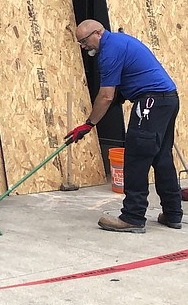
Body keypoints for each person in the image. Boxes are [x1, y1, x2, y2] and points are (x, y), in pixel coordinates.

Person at [67, 20, 181, 233]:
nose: (83, 46)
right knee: (161, 157)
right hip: (168, 99)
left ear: (99, 33)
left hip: (150, 102)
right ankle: (173, 213)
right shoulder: (119, 42)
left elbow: (107, 95)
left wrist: (89, 124)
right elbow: (119, 94)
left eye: (84, 41)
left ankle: (133, 217)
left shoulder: (109, 52)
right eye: (80, 43)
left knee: (136, 157)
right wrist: (91, 123)